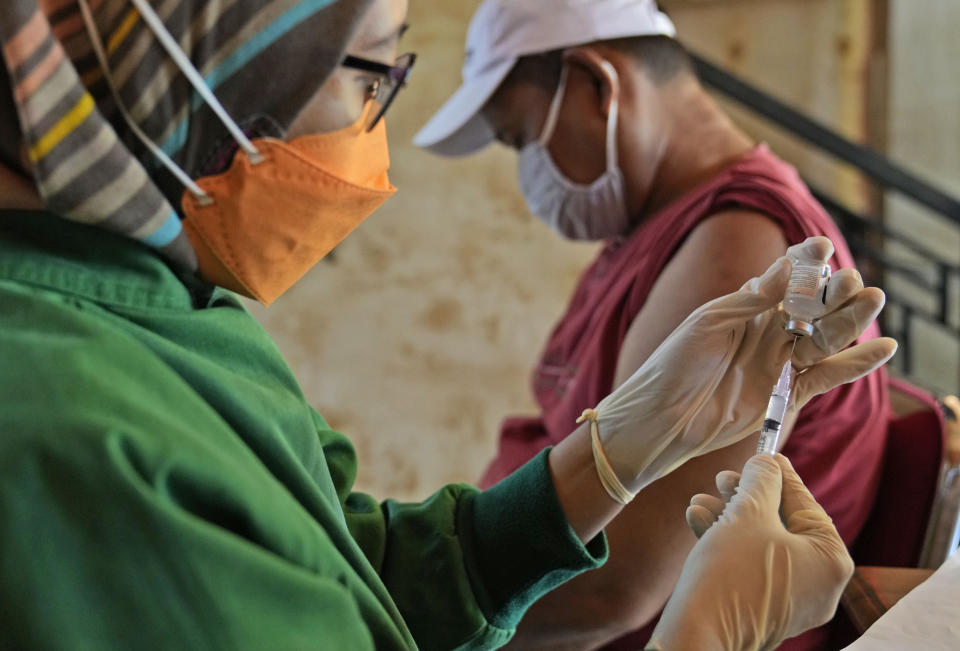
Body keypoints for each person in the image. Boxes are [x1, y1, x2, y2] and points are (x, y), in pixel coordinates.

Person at [0, 0, 893, 649]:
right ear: (216, 66)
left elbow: (359, 567)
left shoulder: (167, 311)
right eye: (370, 76)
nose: (370, 130)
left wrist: (613, 451)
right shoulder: (73, 431)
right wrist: (702, 635)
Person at [415, 0, 890, 648]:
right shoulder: (657, 228)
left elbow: (616, 589)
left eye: (522, 139)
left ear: (596, 85)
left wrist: (411, 622)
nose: (528, 175)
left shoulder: (742, 244)